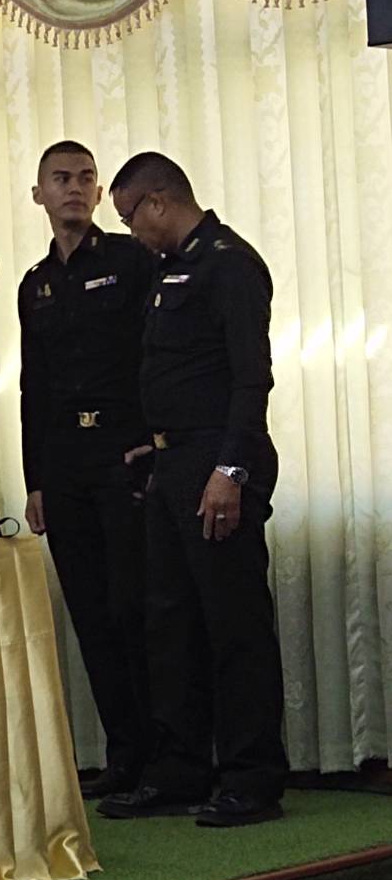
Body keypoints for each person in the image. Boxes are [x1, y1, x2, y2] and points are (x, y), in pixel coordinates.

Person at [98, 151, 288, 828]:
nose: (131, 231)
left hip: (217, 465)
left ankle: (251, 778)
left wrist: (230, 470)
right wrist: (153, 449)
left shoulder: (228, 265)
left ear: (157, 202)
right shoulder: (168, 269)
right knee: (170, 625)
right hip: (172, 464)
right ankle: (178, 769)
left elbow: (250, 379)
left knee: (233, 625)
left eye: (130, 217)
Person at [18, 140, 158, 799]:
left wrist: (153, 441)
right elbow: (34, 386)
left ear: (99, 193)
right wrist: (35, 480)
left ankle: (166, 757)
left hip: (121, 453)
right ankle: (124, 756)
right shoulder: (34, 284)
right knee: (90, 614)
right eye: (60, 179)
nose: (73, 188)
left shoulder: (131, 261)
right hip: (64, 462)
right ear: (38, 194)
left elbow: (155, 355)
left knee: (135, 606)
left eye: (84, 178)